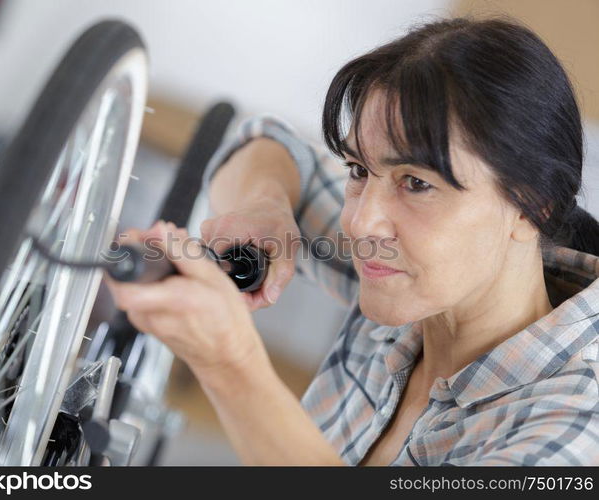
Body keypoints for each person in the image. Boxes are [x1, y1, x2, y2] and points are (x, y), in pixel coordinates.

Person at [105, 16, 599, 465]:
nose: (361, 222)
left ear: (533, 206)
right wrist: (265, 207)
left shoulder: (571, 430)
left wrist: (229, 364)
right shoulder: (421, 282)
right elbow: (267, 144)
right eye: (359, 170)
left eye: (417, 183)